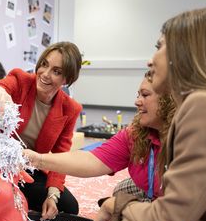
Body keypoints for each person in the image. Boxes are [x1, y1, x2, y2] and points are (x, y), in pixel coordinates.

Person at [91, 6, 206, 221]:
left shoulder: (203, 105)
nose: (151, 60)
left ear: (184, 53)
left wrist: (119, 205)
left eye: (159, 46)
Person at [0, 41, 83, 220]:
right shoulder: (22, 80)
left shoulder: (70, 109)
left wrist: (52, 196)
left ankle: (12, 194)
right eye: (44, 64)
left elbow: (60, 156)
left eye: (56, 71)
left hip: (23, 167)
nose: (45, 74)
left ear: (67, 80)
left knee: (69, 207)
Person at [24, 76, 175, 203]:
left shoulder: (188, 139)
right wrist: (38, 159)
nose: (137, 102)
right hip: (152, 190)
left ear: (168, 99)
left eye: (145, 95)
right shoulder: (135, 134)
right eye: (138, 95)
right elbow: (92, 160)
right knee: (120, 191)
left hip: (180, 205)